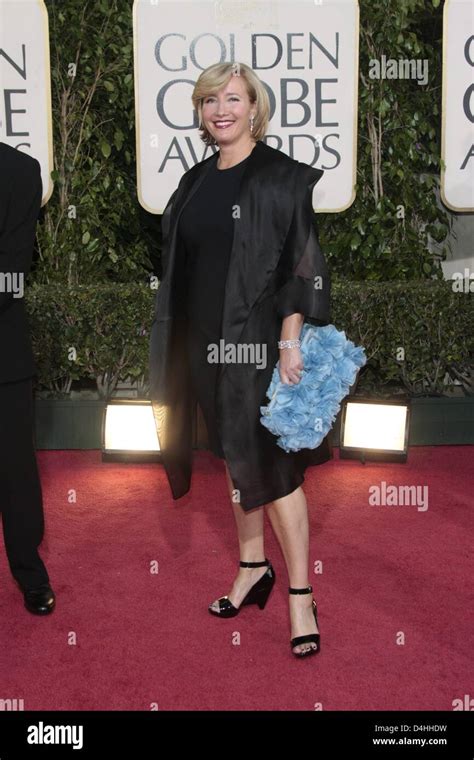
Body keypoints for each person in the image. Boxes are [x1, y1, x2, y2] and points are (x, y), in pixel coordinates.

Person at [149, 62, 331, 657]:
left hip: (257, 346)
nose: (220, 109)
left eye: (233, 98)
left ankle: (301, 594)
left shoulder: (280, 179)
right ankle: (253, 566)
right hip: (205, 346)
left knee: (275, 470)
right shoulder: (197, 180)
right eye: (209, 100)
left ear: (255, 107)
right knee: (233, 458)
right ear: (200, 113)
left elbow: (302, 266)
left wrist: (288, 339)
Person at [0, 142, 55, 615]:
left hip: (2, 352)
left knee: (15, 468)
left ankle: (29, 571)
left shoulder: (19, 171)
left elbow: (11, 276)